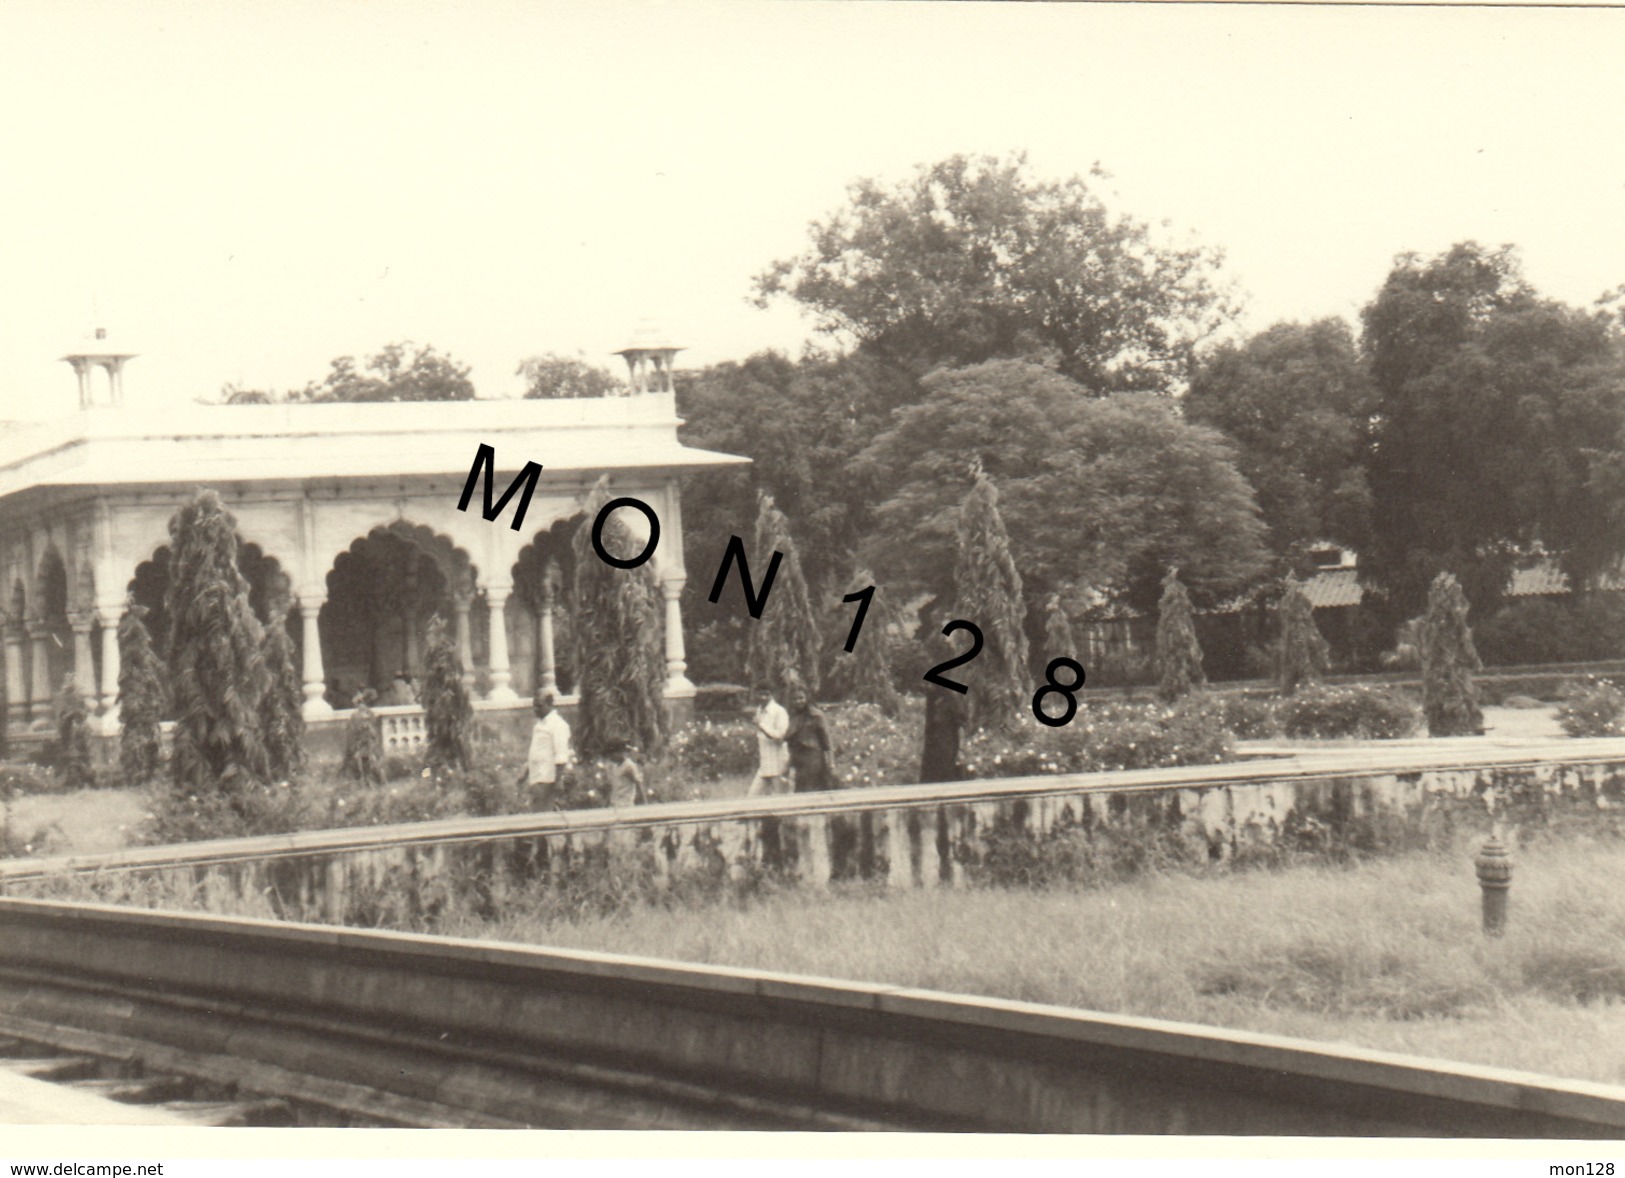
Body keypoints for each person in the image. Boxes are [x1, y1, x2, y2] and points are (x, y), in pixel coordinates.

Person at [526, 692, 574, 808]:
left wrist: (558, 781)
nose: (535, 709)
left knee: (543, 815)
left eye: (539, 706)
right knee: (536, 811)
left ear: (550, 704)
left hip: (548, 778)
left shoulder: (558, 724)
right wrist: (525, 774)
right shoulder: (539, 725)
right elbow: (537, 751)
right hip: (536, 777)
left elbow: (561, 755)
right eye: (534, 706)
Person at [786, 683, 835, 793]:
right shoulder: (793, 716)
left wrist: (831, 762)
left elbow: (826, 740)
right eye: (795, 699)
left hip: (813, 759)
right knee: (800, 792)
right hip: (798, 760)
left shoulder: (816, 715)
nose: (798, 701)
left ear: (807, 698)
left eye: (801, 698)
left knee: (813, 790)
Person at [745, 686, 790, 797]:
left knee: (781, 802)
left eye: (766, 694)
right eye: (760, 694)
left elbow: (780, 736)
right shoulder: (760, 710)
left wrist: (761, 725)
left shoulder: (779, 711)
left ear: (772, 694)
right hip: (765, 765)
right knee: (751, 799)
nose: (763, 697)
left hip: (779, 765)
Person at [609, 738, 648, 808]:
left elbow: (638, 784)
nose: (612, 756)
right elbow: (615, 787)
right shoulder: (615, 766)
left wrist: (645, 804)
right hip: (615, 804)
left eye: (614, 753)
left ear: (621, 752)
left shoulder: (629, 765)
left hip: (625, 805)